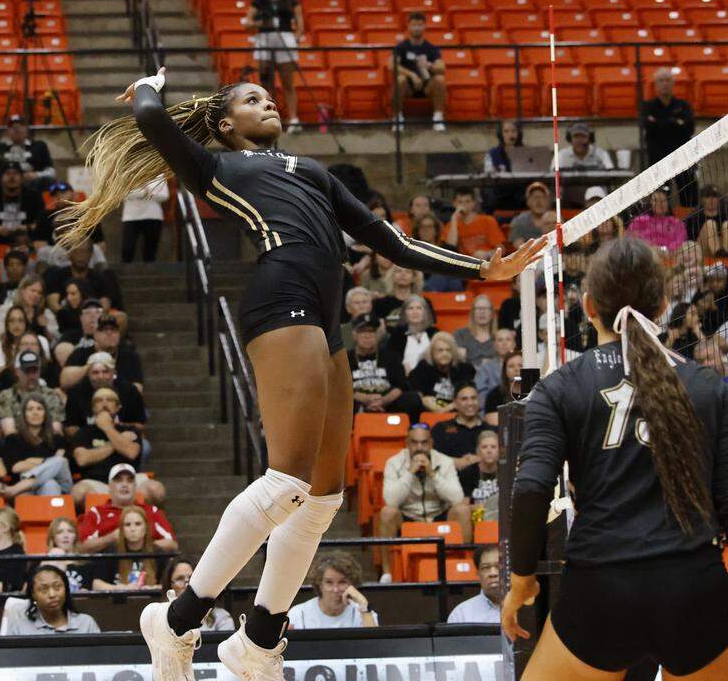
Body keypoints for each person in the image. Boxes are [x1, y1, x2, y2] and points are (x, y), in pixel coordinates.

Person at [63, 69, 542, 675]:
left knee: (322, 498)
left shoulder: (313, 171)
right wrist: (149, 86)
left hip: (326, 314)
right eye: (250, 101)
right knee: (285, 481)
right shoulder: (216, 167)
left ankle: (258, 638)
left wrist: (478, 268)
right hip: (279, 295)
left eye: (269, 98)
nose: (267, 104)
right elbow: (154, 122)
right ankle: (177, 619)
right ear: (224, 123)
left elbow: (385, 237)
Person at [502, 237, 728, 680]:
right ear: (664, 305)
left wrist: (521, 581)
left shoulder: (559, 388)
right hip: (695, 593)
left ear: (589, 305)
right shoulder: (709, 387)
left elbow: (532, 487)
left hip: (601, 590)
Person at [378, 425, 472, 575]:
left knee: (463, 509)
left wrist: (432, 474)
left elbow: (457, 498)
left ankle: (466, 565)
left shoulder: (444, 461)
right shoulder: (394, 462)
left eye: (424, 442)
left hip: (438, 515)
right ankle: (387, 573)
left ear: (431, 443)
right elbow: (391, 500)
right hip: (408, 517)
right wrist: (409, 473)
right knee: (387, 512)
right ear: (407, 443)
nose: (419, 447)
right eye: (414, 443)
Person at [248, 0, 305, 131]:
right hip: (264, 38)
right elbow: (248, 22)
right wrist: (260, 24)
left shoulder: (290, 0)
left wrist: (296, 38)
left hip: (285, 38)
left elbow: (300, 24)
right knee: (265, 82)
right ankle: (266, 119)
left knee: (288, 82)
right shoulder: (259, 1)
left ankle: (294, 120)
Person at [0, 394, 72, 497]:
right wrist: (49, 462)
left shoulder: (58, 439)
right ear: (23, 414)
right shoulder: (13, 440)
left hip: (61, 485)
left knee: (60, 461)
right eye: (30, 409)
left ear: (45, 413)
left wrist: (29, 462)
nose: (35, 413)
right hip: (30, 490)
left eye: (39, 409)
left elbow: (63, 466)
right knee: (49, 483)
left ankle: (16, 488)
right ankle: (52, 512)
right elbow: (16, 468)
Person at [348, 313, 420, 421]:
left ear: (378, 334)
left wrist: (383, 400)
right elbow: (339, 387)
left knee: (412, 398)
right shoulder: (345, 358)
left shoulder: (392, 356)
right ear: (354, 334)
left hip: (387, 403)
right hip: (356, 402)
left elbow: (401, 386)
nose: (367, 336)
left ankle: (410, 433)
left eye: (371, 331)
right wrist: (364, 398)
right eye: (362, 331)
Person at [642, 67, 697, 205]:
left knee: (689, 196)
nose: (665, 84)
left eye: (668, 80)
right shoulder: (648, 106)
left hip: (683, 157)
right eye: (661, 80)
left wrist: (660, 123)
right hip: (658, 159)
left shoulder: (683, 106)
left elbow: (689, 129)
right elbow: (648, 127)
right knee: (660, 198)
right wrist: (675, 123)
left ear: (673, 84)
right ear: (655, 85)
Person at [63, 352, 146, 438]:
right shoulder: (76, 392)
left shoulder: (129, 390)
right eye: (95, 372)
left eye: (105, 372)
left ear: (113, 372)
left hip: (123, 437)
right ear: (88, 374)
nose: (100, 376)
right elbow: (70, 428)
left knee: (145, 447)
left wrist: (117, 427)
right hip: (87, 440)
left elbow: (140, 425)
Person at [1, 565, 101, 635]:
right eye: (44, 589)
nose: (52, 594)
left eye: (57, 587)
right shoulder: (19, 628)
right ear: (33, 594)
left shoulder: (86, 623)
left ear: (66, 589)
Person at [287, 552, 376, 629]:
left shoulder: (364, 613)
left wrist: (363, 604)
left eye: (342, 582)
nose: (335, 589)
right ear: (319, 584)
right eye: (329, 582)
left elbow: (374, 645)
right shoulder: (298, 614)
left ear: (351, 584)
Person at [393, 11, 447, 131]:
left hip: (427, 85)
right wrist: (411, 75)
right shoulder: (401, 47)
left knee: (440, 79)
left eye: (420, 25)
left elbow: (442, 68)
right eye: (414, 25)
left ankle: (438, 118)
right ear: (408, 26)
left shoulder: (431, 48)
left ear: (424, 26)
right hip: (409, 86)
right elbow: (391, 65)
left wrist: (429, 66)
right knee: (399, 79)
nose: (416, 28)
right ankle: (398, 118)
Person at [61, 312, 143, 390]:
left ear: (119, 334)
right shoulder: (80, 353)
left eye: (113, 329)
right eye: (104, 330)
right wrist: (91, 365)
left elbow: (138, 388)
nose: (109, 333)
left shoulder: (131, 357)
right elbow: (64, 381)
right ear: (95, 334)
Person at [91, 505, 162, 591]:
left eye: (138, 524)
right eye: (127, 525)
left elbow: (169, 584)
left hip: (152, 602)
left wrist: (152, 588)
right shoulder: (111, 552)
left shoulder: (158, 552)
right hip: (119, 603)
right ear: (122, 529)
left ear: (146, 527)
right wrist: (120, 588)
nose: (133, 529)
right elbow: (96, 584)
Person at [0, 162, 47, 246]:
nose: (12, 177)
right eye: (8, 173)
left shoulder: (34, 195)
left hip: (27, 236)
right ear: (1, 177)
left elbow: (41, 222)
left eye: (16, 173)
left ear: (21, 177)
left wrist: (24, 228)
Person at [0, 350, 64, 435]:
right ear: (17, 371)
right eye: (26, 371)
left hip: (46, 444)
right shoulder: (6, 396)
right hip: (18, 443)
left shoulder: (51, 395)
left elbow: (55, 429)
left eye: (34, 370)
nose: (31, 376)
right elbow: (9, 431)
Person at [0, 114, 55, 185]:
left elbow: (51, 172)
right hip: (4, 185)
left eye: (20, 126)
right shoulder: (0, 147)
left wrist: (35, 175)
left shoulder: (39, 146)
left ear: (27, 129)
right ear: (7, 131)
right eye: (12, 127)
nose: (17, 129)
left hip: (32, 185)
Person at [410, 332, 476, 413]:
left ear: (454, 352)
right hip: (429, 410)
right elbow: (419, 395)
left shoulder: (464, 368)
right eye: (440, 350)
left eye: (448, 350)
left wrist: (446, 409)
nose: (444, 354)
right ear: (432, 353)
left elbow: (467, 395)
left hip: (457, 411)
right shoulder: (423, 366)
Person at [164, 557, 234, 632]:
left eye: (191, 578)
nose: (187, 584)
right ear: (170, 585)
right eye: (180, 579)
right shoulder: (160, 617)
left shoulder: (221, 617)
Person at [432, 384, 485, 473]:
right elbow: (432, 456)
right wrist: (453, 462)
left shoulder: (490, 430)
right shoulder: (441, 428)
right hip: (448, 479)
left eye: (473, 398)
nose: (470, 403)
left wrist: (480, 459)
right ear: (455, 403)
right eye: (464, 399)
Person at [441, 188, 504, 261]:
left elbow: (501, 249)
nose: (464, 205)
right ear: (454, 203)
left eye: (467, 201)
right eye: (460, 202)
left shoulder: (487, 220)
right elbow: (450, 248)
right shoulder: (451, 225)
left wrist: (488, 254)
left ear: (473, 203)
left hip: (487, 262)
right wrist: (454, 218)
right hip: (465, 264)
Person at [684, 185, 728, 258]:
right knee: (710, 224)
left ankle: (726, 257)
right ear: (702, 199)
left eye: (714, 196)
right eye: (707, 196)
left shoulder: (727, 216)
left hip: (727, 249)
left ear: (719, 199)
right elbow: (689, 242)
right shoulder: (694, 218)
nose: (711, 199)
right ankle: (719, 255)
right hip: (702, 252)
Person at [447, 545, 501, 624]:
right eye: (486, 567)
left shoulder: (524, 608)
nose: (493, 573)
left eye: (499, 566)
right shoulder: (461, 614)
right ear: (478, 574)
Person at [385, 295, 439, 374]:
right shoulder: (397, 335)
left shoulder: (434, 333)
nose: (415, 312)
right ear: (404, 313)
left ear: (425, 312)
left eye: (419, 308)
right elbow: (390, 360)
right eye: (410, 308)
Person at [121, 173, 168, 263]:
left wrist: (147, 193)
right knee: (128, 248)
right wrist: (145, 193)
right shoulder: (129, 172)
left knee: (150, 251)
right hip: (131, 216)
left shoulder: (159, 174)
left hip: (153, 215)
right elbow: (123, 193)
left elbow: (165, 195)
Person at [626, 188, 686, 255]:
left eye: (663, 201)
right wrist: (651, 249)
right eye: (655, 200)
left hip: (671, 256)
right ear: (650, 203)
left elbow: (680, 241)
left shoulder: (676, 223)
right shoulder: (639, 221)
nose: (659, 204)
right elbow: (632, 241)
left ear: (668, 203)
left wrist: (663, 249)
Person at [460, 430, 500, 520]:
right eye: (484, 447)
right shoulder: (468, 473)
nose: (489, 451)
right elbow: (464, 506)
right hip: (477, 517)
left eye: (493, 447)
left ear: (499, 450)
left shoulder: (507, 471)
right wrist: (485, 507)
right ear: (477, 451)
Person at [453, 296, 498, 371]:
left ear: (492, 313)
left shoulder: (499, 337)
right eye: (478, 309)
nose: (482, 312)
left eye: (486, 309)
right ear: (472, 313)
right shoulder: (460, 335)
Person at [509, 182, 554, 249]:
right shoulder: (518, 221)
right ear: (528, 202)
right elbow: (519, 248)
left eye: (542, 197)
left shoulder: (556, 218)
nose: (539, 201)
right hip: (529, 257)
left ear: (548, 201)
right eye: (535, 197)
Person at [484, 351, 522, 426]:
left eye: (521, 365)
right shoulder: (494, 395)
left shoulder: (535, 393)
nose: (516, 369)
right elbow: (494, 423)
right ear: (505, 371)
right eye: (511, 366)